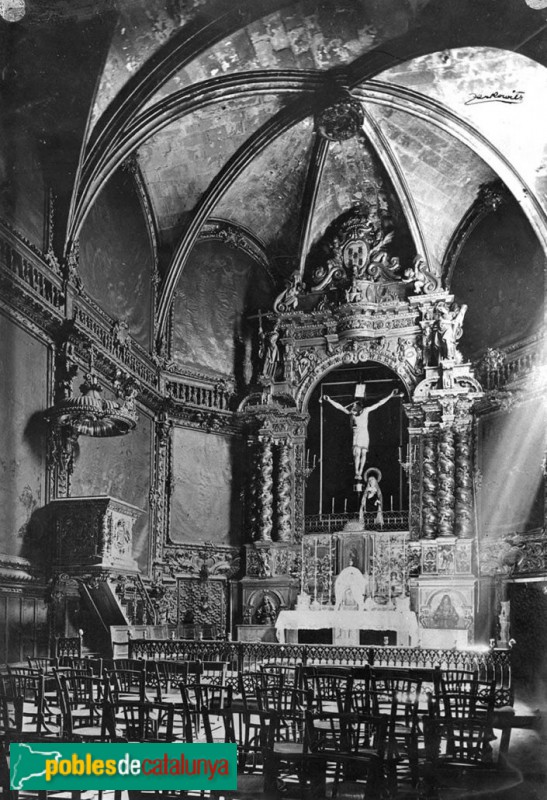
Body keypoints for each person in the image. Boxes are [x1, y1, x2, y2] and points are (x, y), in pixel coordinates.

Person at [321, 389, 401, 480]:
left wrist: (390, 395)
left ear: (359, 407)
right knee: (357, 453)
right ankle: (356, 472)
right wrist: (329, 400)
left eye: (354, 407)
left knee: (363, 453)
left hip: (364, 435)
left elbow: (379, 404)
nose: (352, 409)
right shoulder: (352, 414)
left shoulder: (366, 411)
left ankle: (360, 471)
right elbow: (340, 407)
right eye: (352, 408)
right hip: (357, 436)